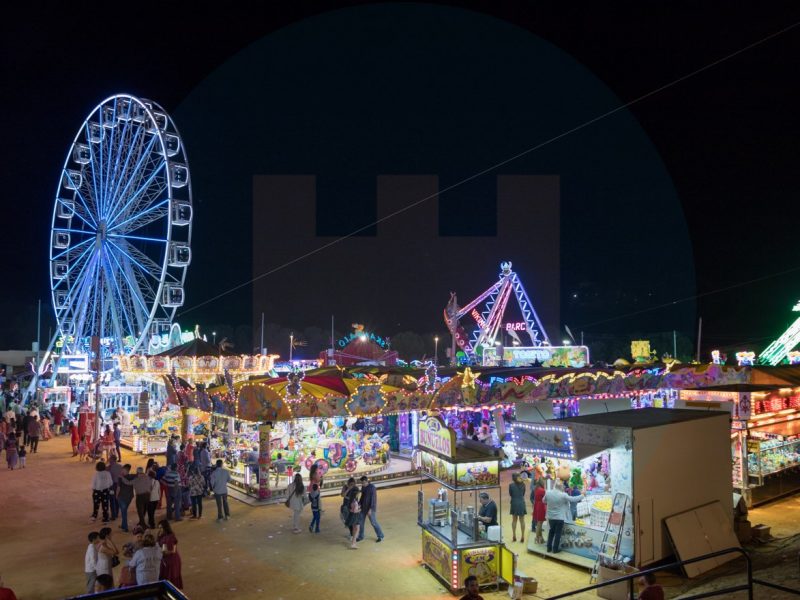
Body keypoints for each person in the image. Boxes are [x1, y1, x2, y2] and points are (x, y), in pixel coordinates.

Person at [543, 480, 584, 554]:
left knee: (551, 532)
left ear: (555, 486)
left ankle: (549, 548)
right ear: (561, 487)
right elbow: (573, 499)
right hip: (560, 517)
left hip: (550, 516)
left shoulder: (548, 493)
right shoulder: (563, 495)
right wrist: (582, 495)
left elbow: (543, 501)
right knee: (558, 533)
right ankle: (555, 549)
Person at [356, 475, 385, 542]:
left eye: (363, 483)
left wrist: (370, 509)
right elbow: (362, 496)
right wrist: (359, 504)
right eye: (361, 483)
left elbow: (373, 499)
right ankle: (361, 536)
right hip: (363, 508)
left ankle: (380, 536)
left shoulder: (372, 488)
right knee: (360, 522)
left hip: (370, 509)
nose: (362, 484)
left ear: (366, 481)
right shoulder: (363, 487)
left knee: (373, 522)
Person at [157, 520, 183, 589]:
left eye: (161, 528)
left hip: (171, 562)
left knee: (171, 581)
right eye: (159, 528)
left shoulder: (170, 537)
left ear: (165, 527)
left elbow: (172, 551)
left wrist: (162, 552)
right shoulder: (163, 536)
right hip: (166, 561)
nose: (159, 530)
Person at [342, 477, 361, 549]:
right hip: (355, 515)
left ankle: (353, 542)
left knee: (354, 528)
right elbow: (355, 510)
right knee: (357, 529)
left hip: (351, 512)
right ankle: (353, 543)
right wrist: (360, 509)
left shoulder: (352, 502)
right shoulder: (355, 502)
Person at [116, 464, 135, 532]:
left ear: (126, 470)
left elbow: (118, 488)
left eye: (123, 470)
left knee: (124, 512)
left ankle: (125, 527)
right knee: (124, 511)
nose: (121, 471)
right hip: (129, 496)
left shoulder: (120, 478)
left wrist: (116, 495)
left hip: (122, 497)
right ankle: (123, 525)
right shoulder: (132, 476)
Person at [530, 479, 546, 545]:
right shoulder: (542, 490)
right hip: (541, 507)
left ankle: (541, 538)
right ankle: (536, 538)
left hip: (536, 506)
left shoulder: (536, 489)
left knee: (539, 523)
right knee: (539, 523)